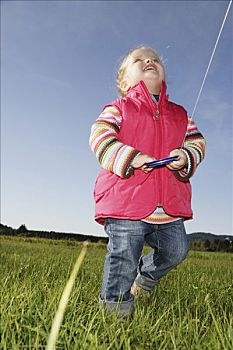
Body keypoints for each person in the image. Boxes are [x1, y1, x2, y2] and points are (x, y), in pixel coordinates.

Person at [89, 46, 206, 316]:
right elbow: (100, 135)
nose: (149, 61)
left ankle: (146, 278)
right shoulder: (119, 108)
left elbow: (197, 142)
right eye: (139, 60)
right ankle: (115, 312)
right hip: (125, 198)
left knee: (176, 250)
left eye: (154, 59)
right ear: (124, 80)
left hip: (167, 203)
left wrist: (186, 156)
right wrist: (130, 157)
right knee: (124, 254)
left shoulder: (180, 114)